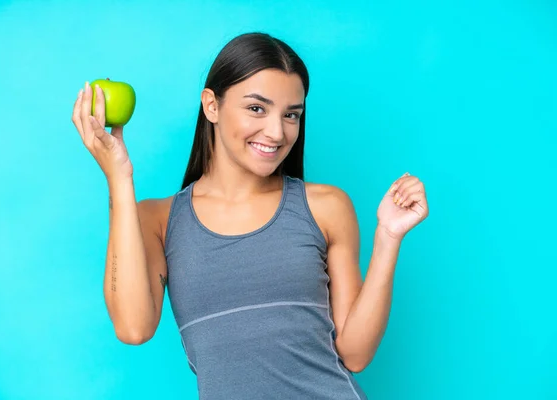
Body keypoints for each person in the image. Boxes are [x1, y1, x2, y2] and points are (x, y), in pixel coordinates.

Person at [71, 32, 429, 400]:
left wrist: (388, 237)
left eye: (291, 115)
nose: (277, 132)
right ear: (211, 105)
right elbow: (133, 328)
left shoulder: (325, 207)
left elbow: (355, 354)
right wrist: (118, 178)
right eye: (257, 108)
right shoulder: (158, 220)